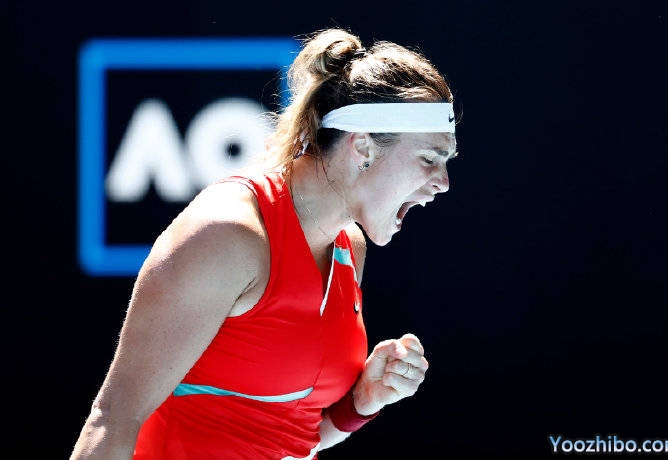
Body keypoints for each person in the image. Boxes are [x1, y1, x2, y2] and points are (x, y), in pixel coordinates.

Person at [70, 27, 459, 459]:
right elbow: (112, 421)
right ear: (363, 147)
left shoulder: (350, 246)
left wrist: (362, 403)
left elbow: (287, 437)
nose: (443, 182)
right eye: (429, 158)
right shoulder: (227, 237)